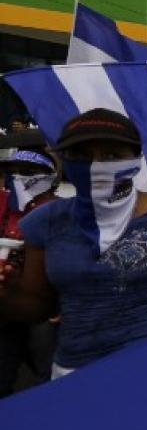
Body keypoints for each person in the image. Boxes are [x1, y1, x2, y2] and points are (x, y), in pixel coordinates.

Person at [0, 109, 147, 378]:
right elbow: (38, 308)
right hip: (76, 374)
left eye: (111, 156)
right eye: (81, 156)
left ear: (136, 159)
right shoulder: (45, 223)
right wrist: (9, 294)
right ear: (63, 160)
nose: (95, 165)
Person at [0, 131, 59, 396]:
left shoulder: (62, 211)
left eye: (26, 171)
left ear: (48, 177)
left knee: (48, 376)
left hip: (47, 306)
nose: (17, 179)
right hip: (6, 302)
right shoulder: (4, 205)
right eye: (13, 172)